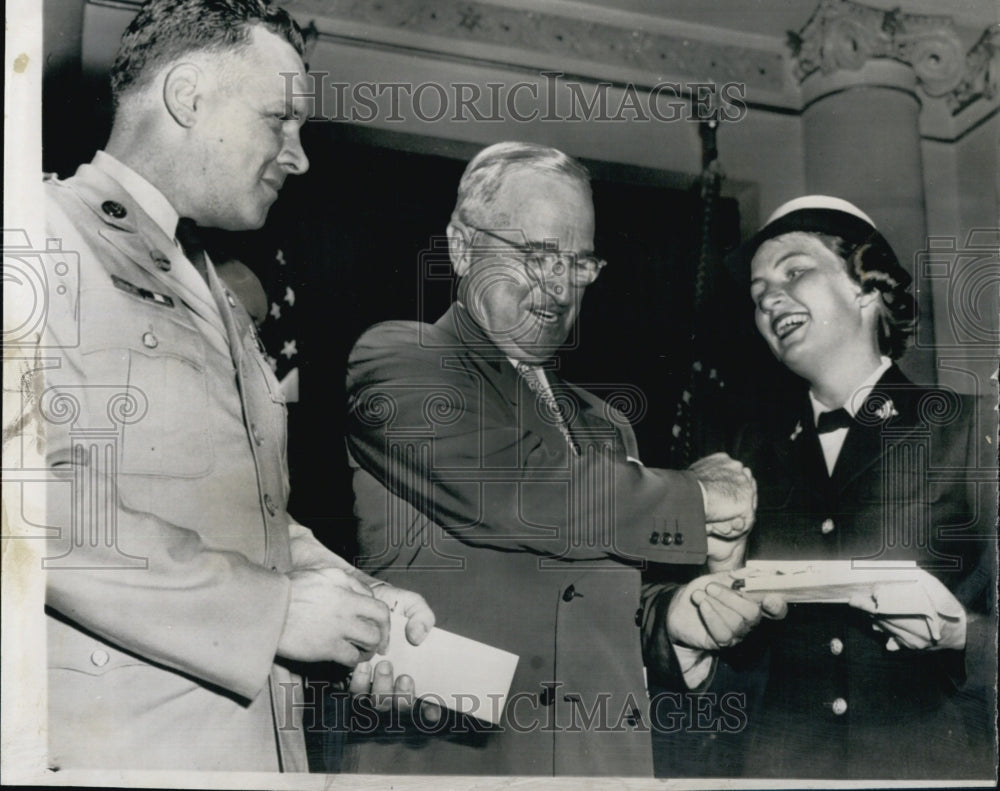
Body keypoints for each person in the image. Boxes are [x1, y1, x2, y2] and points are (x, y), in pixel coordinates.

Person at [40, 0, 433, 772]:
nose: (299, 154)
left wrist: (349, 596)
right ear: (187, 96)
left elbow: (236, 515)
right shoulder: (40, 232)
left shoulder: (210, 284)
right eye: (278, 118)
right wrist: (272, 610)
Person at [343, 141, 769, 775]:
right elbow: (522, 492)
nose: (560, 286)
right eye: (537, 255)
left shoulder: (606, 424)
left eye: (579, 263)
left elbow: (590, 605)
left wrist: (674, 625)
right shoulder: (400, 359)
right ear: (462, 247)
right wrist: (697, 496)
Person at [663, 195, 995, 779]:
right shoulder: (740, 457)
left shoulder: (971, 429)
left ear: (866, 287)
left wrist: (959, 634)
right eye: (758, 292)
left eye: (794, 271)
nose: (769, 299)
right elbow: (727, 663)